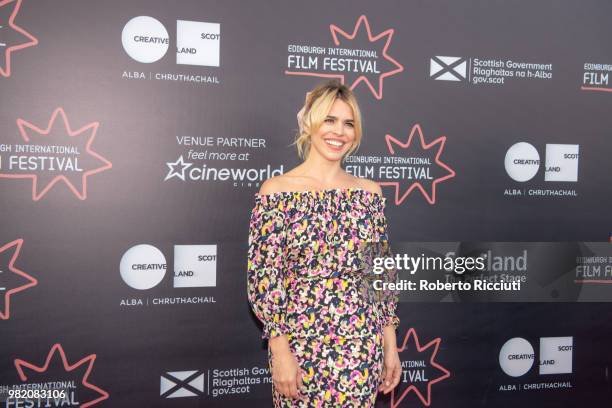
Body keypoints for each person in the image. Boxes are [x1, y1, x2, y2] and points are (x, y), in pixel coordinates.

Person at [247, 79, 401, 407]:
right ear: (309, 123)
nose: (339, 131)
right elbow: (264, 280)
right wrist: (280, 351)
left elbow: (380, 278)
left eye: (348, 123)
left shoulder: (369, 193)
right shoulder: (277, 191)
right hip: (299, 349)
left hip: (360, 349)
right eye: (329, 120)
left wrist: (391, 345)